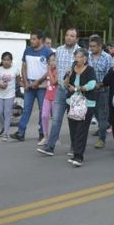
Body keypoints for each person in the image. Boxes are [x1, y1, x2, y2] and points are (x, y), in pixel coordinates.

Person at [37, 28, 78, 157]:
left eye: (72, 36)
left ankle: (74, 148)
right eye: (67, 35)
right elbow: (56, 68)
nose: (69, 37)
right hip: (60, 89)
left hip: (73, 91)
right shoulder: (59, 50)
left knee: (73, 121)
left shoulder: (80, 52)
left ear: (76, 38)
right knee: (56, 119)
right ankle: (50, 147)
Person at [11, 32, 53, 141]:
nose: (32, 41)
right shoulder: (27, 50)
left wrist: (38, 82)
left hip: (42, 86)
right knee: (26, 109)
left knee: (42, 110)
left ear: (40, 39)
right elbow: (24, 67)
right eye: (31, 39)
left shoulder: (48, 52)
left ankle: (42, 133)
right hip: (29, 85)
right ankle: (20, 132)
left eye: (34, 39)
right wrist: (25, 82)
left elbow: (50, 71)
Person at [66, 48, 98, 167]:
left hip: (86, 103)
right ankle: (75, 153)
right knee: (73, 129)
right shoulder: (72, 69)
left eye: (79, 57)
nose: (76, 59)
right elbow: (65, 85)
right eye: (75, 56)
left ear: (85, 58)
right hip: (72, 102)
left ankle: (79, 156)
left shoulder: (90, 70)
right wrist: (68, 75)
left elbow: (92, 85)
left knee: (81, 130)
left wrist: (77, 89)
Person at [87, 35, 113, 149]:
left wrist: (101, 84)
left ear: (100, 46)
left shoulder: (107, 57)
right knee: (94, 113)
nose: (91, 48)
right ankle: (105, 125)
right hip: (89, 91)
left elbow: (110, 74)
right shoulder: (87, 56)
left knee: (102, 115)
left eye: (94, 46)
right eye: (90, 46)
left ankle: (101, 139)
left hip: (103, 90)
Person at [0, 51, 20, 141]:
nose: (6, 61)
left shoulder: (15, 70)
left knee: (7, 113)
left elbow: (19, 82)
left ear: (11, 61)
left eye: (8, 60)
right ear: (1, 60)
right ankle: (4, 126)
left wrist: (26, 86)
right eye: (4, 60)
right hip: (0, 94)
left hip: (10, 94)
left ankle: (6, 133)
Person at [38, 53, 58, 146]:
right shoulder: (49, 71)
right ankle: (46, 137)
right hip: (47, 96)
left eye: (53, 60)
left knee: (55, 119)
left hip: (56, 98)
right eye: (49, 61)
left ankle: (55, 137)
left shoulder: (58, 71)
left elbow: (54, 82)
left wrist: (49, 70)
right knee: (44, 116)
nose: (51, 62)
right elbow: (46, 81)